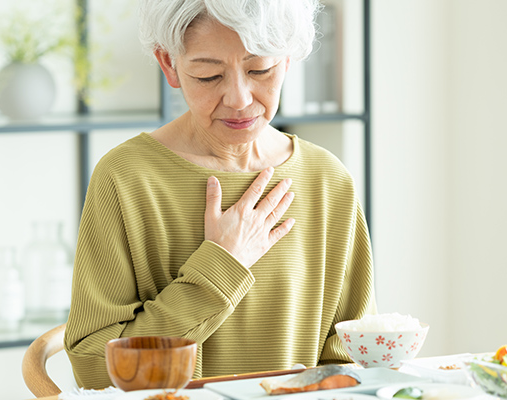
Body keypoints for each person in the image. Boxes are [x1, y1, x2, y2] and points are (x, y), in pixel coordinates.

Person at [63, 0, 376, 389]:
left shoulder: (327, 179)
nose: (239, 99)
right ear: (169, 64)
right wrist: (223, 264)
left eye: (260, 70)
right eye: (208, 76)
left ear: (288, 58)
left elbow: (354, 355)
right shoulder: (126, 178)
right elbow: (94, 367)